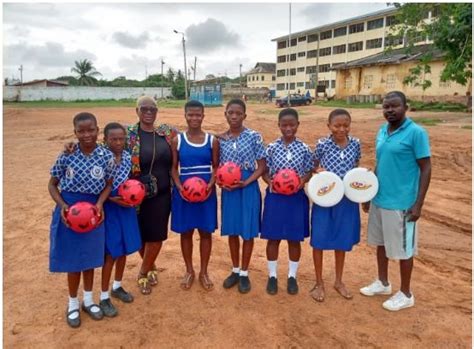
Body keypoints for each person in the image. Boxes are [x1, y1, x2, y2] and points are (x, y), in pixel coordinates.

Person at [360, 91, 431, 311]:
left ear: (405, 107)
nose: (390, 110)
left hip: (402, 203)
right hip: (381, 199)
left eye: (394, 106)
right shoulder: (383, 131)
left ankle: (406, 293)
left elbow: (426, 167)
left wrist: (418, 203)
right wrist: (369, 194)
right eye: (386, 107)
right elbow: (380, 163)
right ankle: (383, 282)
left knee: (403, 250)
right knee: (380, 244)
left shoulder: (416, 133)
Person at [48, 112, 115, 328]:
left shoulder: (106, 156)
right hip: (70, 212)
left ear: (98, 130)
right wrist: (63, 207)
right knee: (73, 261)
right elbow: (52, 184)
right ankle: (73, 304)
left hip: (93, 212)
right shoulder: (67, 155)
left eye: (91, 130)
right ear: (75, 132)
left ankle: (88, 300)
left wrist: (100, 204)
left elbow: (109, 184)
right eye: (81, 131)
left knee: (90, 258)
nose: (86, 135)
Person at [127, 96, 177, 295]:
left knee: (156, 236)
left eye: (153, 109)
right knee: (140, 236)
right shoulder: (129, 134)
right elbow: (105, 147)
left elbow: (192, 138)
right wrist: (72, 145)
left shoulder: (166, 133)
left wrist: (222, 137)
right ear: (137, 111)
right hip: (135, 195)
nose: (149, 112)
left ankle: (143, 272)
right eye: (144, 109)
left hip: (162, 194)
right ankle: (152, 266)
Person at [310, 108, 361, 302]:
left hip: (346, 200)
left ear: (350, 126)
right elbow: (313, 164)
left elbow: (355, 166)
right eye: (337, 125)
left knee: (342, 239)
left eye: (345, 125)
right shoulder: (322, 144)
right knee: (319, 239)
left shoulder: (355, 144)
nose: (341, 129)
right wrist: (318, 170)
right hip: (324, 198)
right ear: (329, 126)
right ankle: (319, 282)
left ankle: (339, 281)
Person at [261, 108, 313, 295]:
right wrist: (270, 182)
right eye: (284, 125)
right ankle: (272, 275)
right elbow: (264, 170)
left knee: (294, 238)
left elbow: (309, 169)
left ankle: (292, 276)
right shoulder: (272, 148)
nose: (288, 128)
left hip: (296, 198)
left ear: (298, 125)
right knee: (273, 237)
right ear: (279, 126)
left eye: (292, 125)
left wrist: (302, 181)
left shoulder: (305, 149)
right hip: (275, 197)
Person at [217, 98, 266, 293]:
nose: (234, 116)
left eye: (238, 113)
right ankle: (235, 270)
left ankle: (245, 273)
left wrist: (247, 181)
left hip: (248, 185)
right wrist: (221, 182)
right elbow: (217, 167)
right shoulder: (220, 140)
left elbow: (262, 166)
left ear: (244, 115)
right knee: (232, 230)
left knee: (247, 230)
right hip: (229, 188)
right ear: (226, 114)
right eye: (231, 113)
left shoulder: (254, 136)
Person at [170, 100, 218, 291]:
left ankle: (203, 272)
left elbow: (216, 167)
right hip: (184, 192)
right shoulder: (177, 140)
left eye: (198, 114)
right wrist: (180, 187)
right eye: (191, 114)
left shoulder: (212, 140)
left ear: (203, 116)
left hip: (206, 190)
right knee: (186, 232)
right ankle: (189, 270)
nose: (194, 118)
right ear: (185, 115)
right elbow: (173, 168)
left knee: (206, 233)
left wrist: (210, 185)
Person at [99, 122, 142, 317]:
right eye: (113, 139)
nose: (118, 142)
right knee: (111, 252)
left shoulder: (126, 157)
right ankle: (103, 296)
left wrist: (131, 196)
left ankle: (117, 285)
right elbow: (96, 186)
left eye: (121, 139)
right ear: (105, 140)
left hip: (126, 205)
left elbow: (129, 180)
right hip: (109, 205)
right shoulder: (100, 157)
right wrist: (110, 198)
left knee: (124, 248)